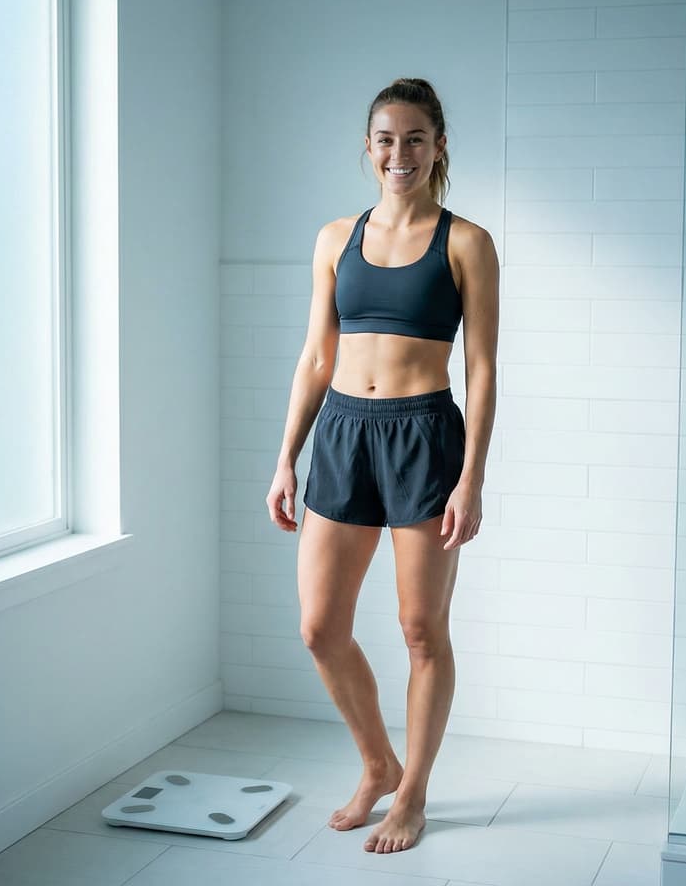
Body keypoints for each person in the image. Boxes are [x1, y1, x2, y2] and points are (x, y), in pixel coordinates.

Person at [265, 77, 500, 854]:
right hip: (341, 431)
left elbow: (484, 368)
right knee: (319, 627)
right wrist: (285, 458)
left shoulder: (465, 242)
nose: (400, 153)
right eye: (386, 139)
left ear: (438, 148)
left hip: (424, 438)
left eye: (415, 139)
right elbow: (314, 356)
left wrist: (471, 475)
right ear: (367, 148)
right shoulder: (336, 237)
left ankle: (415, 795)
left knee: (420, 630)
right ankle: (378, 764)